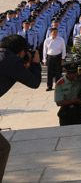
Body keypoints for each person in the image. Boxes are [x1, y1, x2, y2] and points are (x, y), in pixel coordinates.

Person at [0, 35, 42, 178]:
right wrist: (35, 63)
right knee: (2, 149)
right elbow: (34, 82)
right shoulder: (11, 61)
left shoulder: (6, 58)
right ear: (21, 51)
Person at [54, 57, 81, 126]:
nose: (72, 75)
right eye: (70, 73)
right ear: (65, 72)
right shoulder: (60, 84)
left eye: (74, 73)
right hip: (66, 113)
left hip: (78, 111)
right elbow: (59, 102)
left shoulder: (79, 80)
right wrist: (75, 101)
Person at [43, 26, 66, 91]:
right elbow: (44, 50)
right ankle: (49, 86)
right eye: (54, 32)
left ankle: (58, 85)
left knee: (58, 72)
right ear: (50, 33)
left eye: (56, 32)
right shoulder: (47, 40)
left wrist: (63, 58)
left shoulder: (61, 39)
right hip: (50, 57)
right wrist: (44, 59)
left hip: (58, 56)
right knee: (49, 72)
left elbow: (63, 49)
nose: (55, 33)